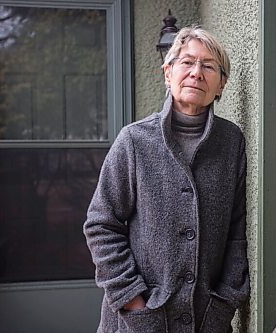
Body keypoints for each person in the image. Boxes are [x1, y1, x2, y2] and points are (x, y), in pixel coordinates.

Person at [83, 26, 250, 333]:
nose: (196, 73)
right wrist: (135, 303)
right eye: (187, 62)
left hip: (206, 320)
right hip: (136, 321)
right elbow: (101, 225)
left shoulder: (231, 142)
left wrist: (223, 306)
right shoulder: (134, 140)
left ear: (221, 84)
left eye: (209, 66)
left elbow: (237, 235)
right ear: (167, 72)